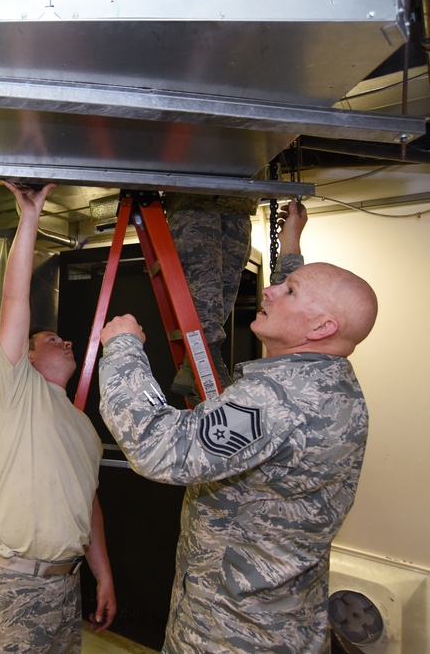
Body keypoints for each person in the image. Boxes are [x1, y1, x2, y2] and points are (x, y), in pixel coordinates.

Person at [97, 200, 378, 653]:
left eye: (288, 290)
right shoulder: (328, 384)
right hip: (270, 622)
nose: (271, 290)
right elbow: (313, 303)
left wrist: (124, 347)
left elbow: (157, 447)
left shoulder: (279, 402)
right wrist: (290, 249)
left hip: (231, 635)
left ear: (323, 327)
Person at [0, 181, 116, 653]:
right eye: (52, 340)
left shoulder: (83, 426)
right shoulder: (16, 390)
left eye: (66, 340)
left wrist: (102, 575)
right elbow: (14, 303)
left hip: (64, 589)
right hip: (10, 586)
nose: (67, 343)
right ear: (24, 356)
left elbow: (89, 506)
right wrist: (30, 217)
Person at [163, 191, 258, 400]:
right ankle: (209, 357)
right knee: (205, 279)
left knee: (226, 287)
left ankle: (191, 369)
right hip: (194, 194)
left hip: (240, 199)